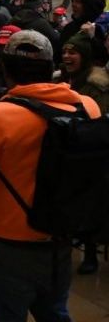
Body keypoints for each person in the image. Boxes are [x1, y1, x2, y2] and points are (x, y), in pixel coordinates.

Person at [0, 30, 100, 321]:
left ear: (5, 70)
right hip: (61, 237)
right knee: (56, 312)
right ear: (51, 69)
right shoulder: (86, 108)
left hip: (9, 245)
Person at [58, 32, 109, 274]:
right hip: (74, 150)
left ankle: (90, 252)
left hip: (94, 153)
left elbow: (97, 120)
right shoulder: (66, 79)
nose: (67, 56)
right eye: (65, 51)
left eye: (73, 52)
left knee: (93, 204)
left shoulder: (97, 85)